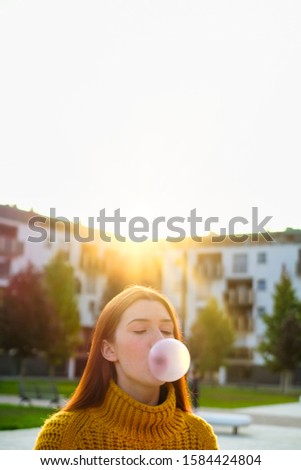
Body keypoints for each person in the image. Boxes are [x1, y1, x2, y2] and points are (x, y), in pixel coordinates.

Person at [34, 285, 218, 450]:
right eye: (140, 330)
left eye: (166, 330)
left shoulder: (199, 438)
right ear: (109, 349)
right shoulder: (63, 437)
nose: (160, 340)